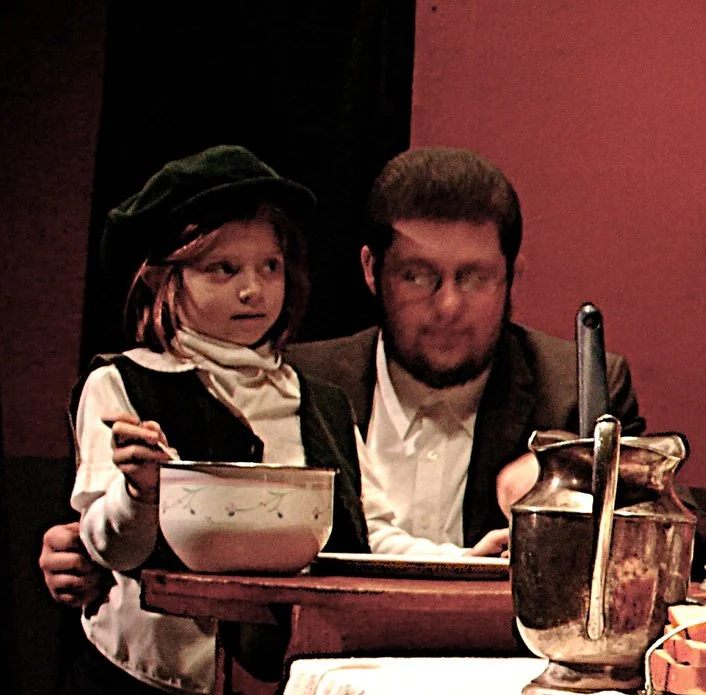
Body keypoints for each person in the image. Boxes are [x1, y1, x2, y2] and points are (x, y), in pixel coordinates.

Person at [0, 146, 494, 695]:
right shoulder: (127, 383)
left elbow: (367, 529)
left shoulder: (314, 399)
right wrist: (140, 492)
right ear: (167, 279)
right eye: (221, 269)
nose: (250, 289)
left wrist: (471, 562)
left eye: (267, 266)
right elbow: (108, 543)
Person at [38, 146, 643, 605]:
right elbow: (120, 524)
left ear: (512, 275)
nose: (448, 305)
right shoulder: (302, 378)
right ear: (371, 270)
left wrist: (571, 480)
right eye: (418, 276)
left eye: (475, 277)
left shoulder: (575, 391)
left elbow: (646, 540)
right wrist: (93, 540)